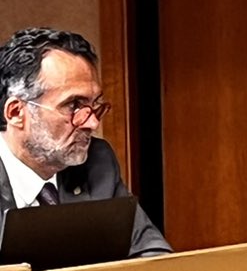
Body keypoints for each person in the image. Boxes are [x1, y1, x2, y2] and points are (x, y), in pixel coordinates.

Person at [0, 27, 170, 256]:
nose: (92, 123)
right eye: (74, 106)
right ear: (15, 112)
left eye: (94, 105)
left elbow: (151, 254)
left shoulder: (97, 162)